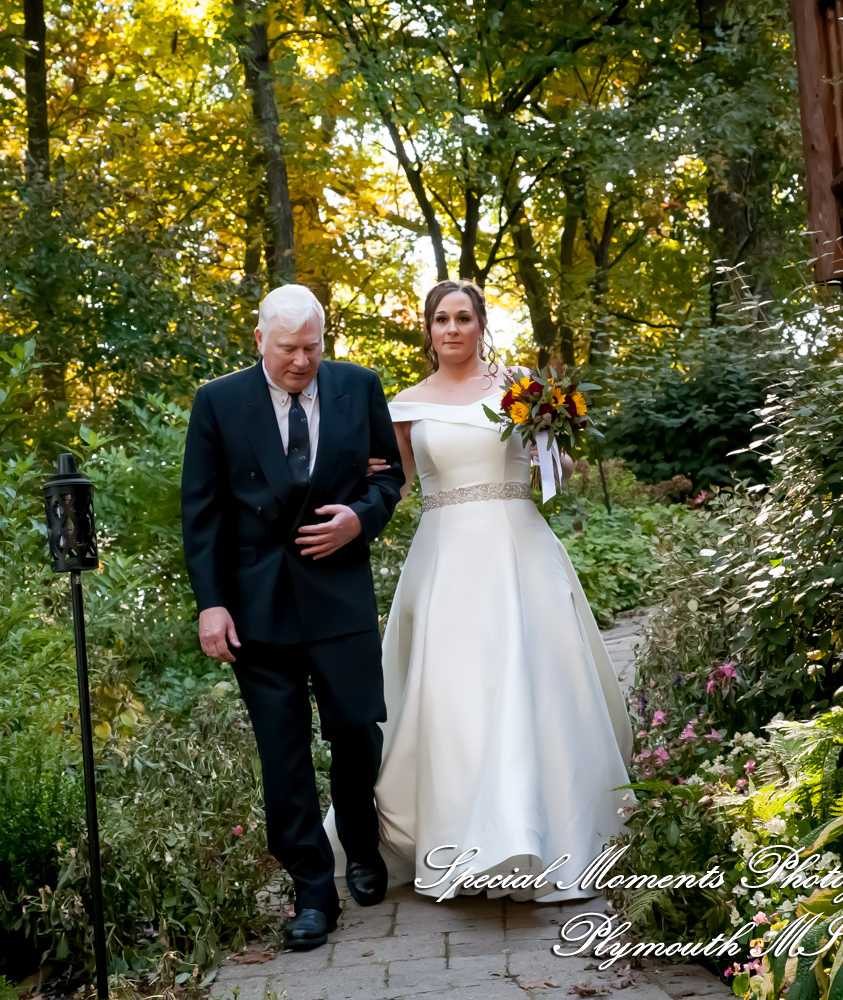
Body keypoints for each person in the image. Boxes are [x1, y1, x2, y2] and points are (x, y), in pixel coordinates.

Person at [321, 278, 636, 902]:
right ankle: (462, 838)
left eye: (464, 317)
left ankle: (542, 836)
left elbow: (560, 475)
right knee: (455, 698)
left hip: (521, 552)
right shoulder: (406, 406)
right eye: (441, 319)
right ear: (429, 329)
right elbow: (394, 485)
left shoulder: (519, 389)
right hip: (445, 563)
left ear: (481, 323)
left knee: (533, 685)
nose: (452, 329)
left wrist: (553, 425)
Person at [180, 283, 406, 949]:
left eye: (311, 347)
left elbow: (388, 476)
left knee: (357, 731)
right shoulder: (217, 402)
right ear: (259, 341)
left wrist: (359, 519)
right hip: (257, 607)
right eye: (287, 349)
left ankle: (362, 849)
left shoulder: (358, 387)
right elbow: (202, 513)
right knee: (282, 755)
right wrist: (211, 604)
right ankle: (312, 890)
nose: (301, 361)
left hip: (339, 595)